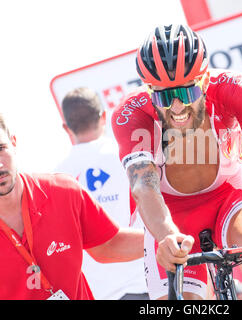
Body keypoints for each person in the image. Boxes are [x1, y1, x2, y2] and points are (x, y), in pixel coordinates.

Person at [111, 24, 242, 300]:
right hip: (170, 212)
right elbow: (144, 187)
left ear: (205, 80)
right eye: (164, 96)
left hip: (229, 195)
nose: (177, 108)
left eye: (187, 93)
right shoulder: (131, 114)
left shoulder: (232, 87)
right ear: (150, 90)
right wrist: (166, 236)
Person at [0, 105, 144, 299]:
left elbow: (109, 244)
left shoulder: (63, 191)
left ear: (14, 143)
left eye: (0, 148)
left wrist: (168, 237)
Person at [55, 87, 148, 300]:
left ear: (66, 127)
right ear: (104, 116)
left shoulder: (57, 177)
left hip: (101, 293)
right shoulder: (130, 154)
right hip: (148, 283)